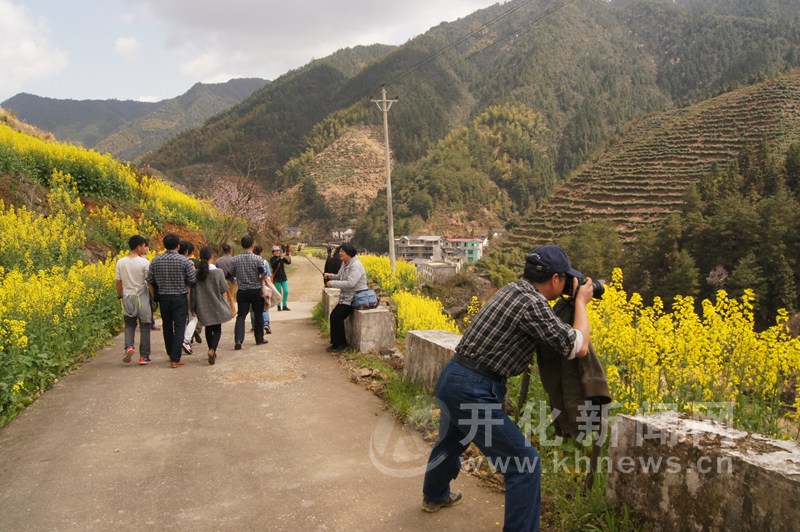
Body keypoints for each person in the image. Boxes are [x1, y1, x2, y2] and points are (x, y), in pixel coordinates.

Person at [420, 245, 593, 531]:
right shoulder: (532, 304)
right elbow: (579, 346)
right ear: (555, 280)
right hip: (473, 389)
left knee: (451, 442)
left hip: (453, 377)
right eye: (566, 280)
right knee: (524, 464)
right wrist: (582, 303)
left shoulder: (513, 290)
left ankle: (434, 496)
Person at [147, 233, 196, 368]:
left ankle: (170, 354)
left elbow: (150, 280)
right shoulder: (184, 261)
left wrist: (154, 298)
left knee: (167, 326)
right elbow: (192, 280)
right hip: (179, 297)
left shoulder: (156, 260)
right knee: (180, 326)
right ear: (178, 246)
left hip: (163, 298)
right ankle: (175, 358)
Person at [191, 247, 233, 365]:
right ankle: (212, 349)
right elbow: (224, 288)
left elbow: (193, 292)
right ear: (211, 257)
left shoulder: (196, 273)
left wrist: (193, 307)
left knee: (208, 328)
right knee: (217, 329)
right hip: (216, 304)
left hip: (203, 306)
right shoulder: (218, 272)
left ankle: (210, 349)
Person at [323, 243, 367, 352]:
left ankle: (340, 344)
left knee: (336, 316)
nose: (340, 253)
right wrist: (331, 276)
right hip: (346, 298)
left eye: (342, 251)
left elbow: (350, 283)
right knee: (335, 316)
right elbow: (340, 276)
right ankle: (337, 343)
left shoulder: (356, 266)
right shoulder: (345, 263)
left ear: (349, 253)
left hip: (355, 298)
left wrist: (332, 283)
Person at [116, 235, 152, 365]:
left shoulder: (121, 262)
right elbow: (149, 282)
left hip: (127, 296)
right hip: (141, 297)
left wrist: (119, 296)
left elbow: (118, 282)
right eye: (144, 246)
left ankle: (129, 347)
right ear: (139, 247)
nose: (146, 248)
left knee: (129, 324)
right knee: (145, 326)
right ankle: (144, 356)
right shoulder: (145, 263)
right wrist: (154, 298)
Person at [229, 235, 269, 349]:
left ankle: (238, 340)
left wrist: (235, 281)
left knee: (241, 316)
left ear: (242, 246)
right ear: (252, 246)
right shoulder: (258, 259)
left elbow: (228, 275)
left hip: (242, 291)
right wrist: (261, 278)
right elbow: (263, 274)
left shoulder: (235, 259)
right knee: (258, 315)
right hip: (256, 290)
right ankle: (259, 339)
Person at [179, 241, 202, 354]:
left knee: (181, 319)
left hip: (175, 294)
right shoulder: (191, 263)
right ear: (189, 252)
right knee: (193, 317)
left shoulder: (173, 260)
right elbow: (193, 279)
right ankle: (186, 340)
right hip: (188, 292)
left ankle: (180, 339)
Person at [249, 246, 272, 335]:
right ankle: (266, 323)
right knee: (265, 305)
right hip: (262, 286)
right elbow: (268, 275)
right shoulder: (264, 262)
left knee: (253, 308)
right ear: (261, 253)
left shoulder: (250, 261)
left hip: (251, 287)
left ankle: (254, 325)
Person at [215, 244, 237, 315]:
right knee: (231, 296)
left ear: (223, 251)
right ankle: (233, 312)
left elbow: (217, 270)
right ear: (230, 250)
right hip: (231, 280)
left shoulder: (218, 260)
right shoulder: (234, 259)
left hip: (222, 280)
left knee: (223, 296)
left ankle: (224, 312)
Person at [269, 244, 292, 311]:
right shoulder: (272, 259)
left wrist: (290, 257)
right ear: (273, 252)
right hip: (276, 278)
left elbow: (288, 262)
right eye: (276, 251)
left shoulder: (281, 258)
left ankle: (284, 305)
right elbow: (274, 265)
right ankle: (279, 306)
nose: (278, 252)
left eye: (278, 251)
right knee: (279, 293)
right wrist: (280, 258)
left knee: (286, 291)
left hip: (283, 277)